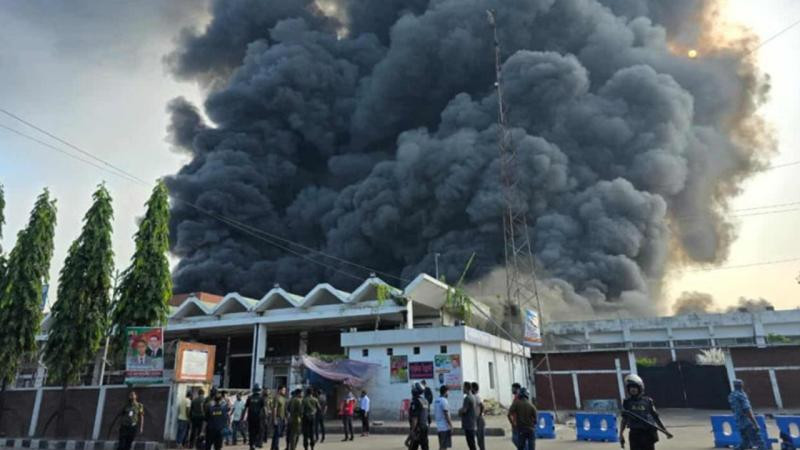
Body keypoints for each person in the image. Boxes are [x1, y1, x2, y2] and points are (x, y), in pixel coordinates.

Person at [620, 374, 672, 450]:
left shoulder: (648, 401)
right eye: (631, 387)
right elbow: (624, 419)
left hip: (648, 434)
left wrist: (665, 430)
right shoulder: (627, 402)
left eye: (635, 387)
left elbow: (656, 417)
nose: (633, 389)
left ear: (640, 388)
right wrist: (621, 434)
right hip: (635, 434)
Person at [729, 379, 766, 450]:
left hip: (739, 422)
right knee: (760, 443)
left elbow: (734, 409)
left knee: (745, 442)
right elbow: (747, 409)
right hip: (747, 422)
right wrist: (755, 424)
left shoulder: (731, 395)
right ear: (742, 385)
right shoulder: (741, 395)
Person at [407, 383, 430, 450]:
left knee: (413, 447)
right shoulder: (425, 401)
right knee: (425, 447)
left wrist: (412, 431)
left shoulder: (415, 401)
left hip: (417, 429)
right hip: (425, 428)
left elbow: (415, 418)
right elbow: (428, 417)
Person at [246, 384, 266, 450]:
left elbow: (245, 408)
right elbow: (264, 408)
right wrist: (266, 417)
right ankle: (256, 444)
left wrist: (242, 417)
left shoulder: (249, 398)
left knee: (251, 432)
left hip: (250, 418)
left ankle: (251, 445)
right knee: (258, 431)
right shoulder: (261, 398)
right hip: (259, 418)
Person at [433, 386, 453, 450]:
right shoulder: (444, 401)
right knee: (443, 447)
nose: (448, 393)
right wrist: (451, 425)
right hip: (445, 427)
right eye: (448, 392)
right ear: (445, 392)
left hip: (439, 427)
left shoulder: (436, 400)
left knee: (442, 445)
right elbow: (446, 414)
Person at [459, 382, 477, 450]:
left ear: (466, 388)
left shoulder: (467, 398)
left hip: (468, 424)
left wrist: (459, 411)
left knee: (471, 443)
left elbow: (464, 410)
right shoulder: (473, 396)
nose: (462, 389)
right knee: (472, 443)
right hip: (471, 423)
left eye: (463, 387)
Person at [471, 382, 485, 450]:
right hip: (476, 419)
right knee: (478, 438)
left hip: (479, 419)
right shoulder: (474, 396)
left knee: (480, 439)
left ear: (474, 388)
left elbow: (482, 405)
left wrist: (480, 414)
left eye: (471, 388)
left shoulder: (477, 396)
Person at [509, 383, 522, 448]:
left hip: (517, 422)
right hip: (516, 420)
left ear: (517, 389)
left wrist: (513, 422)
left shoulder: (518, 398)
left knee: (516, 438)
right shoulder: (517, 397)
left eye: (513, 388)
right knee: (517, 439)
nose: (512, 390)